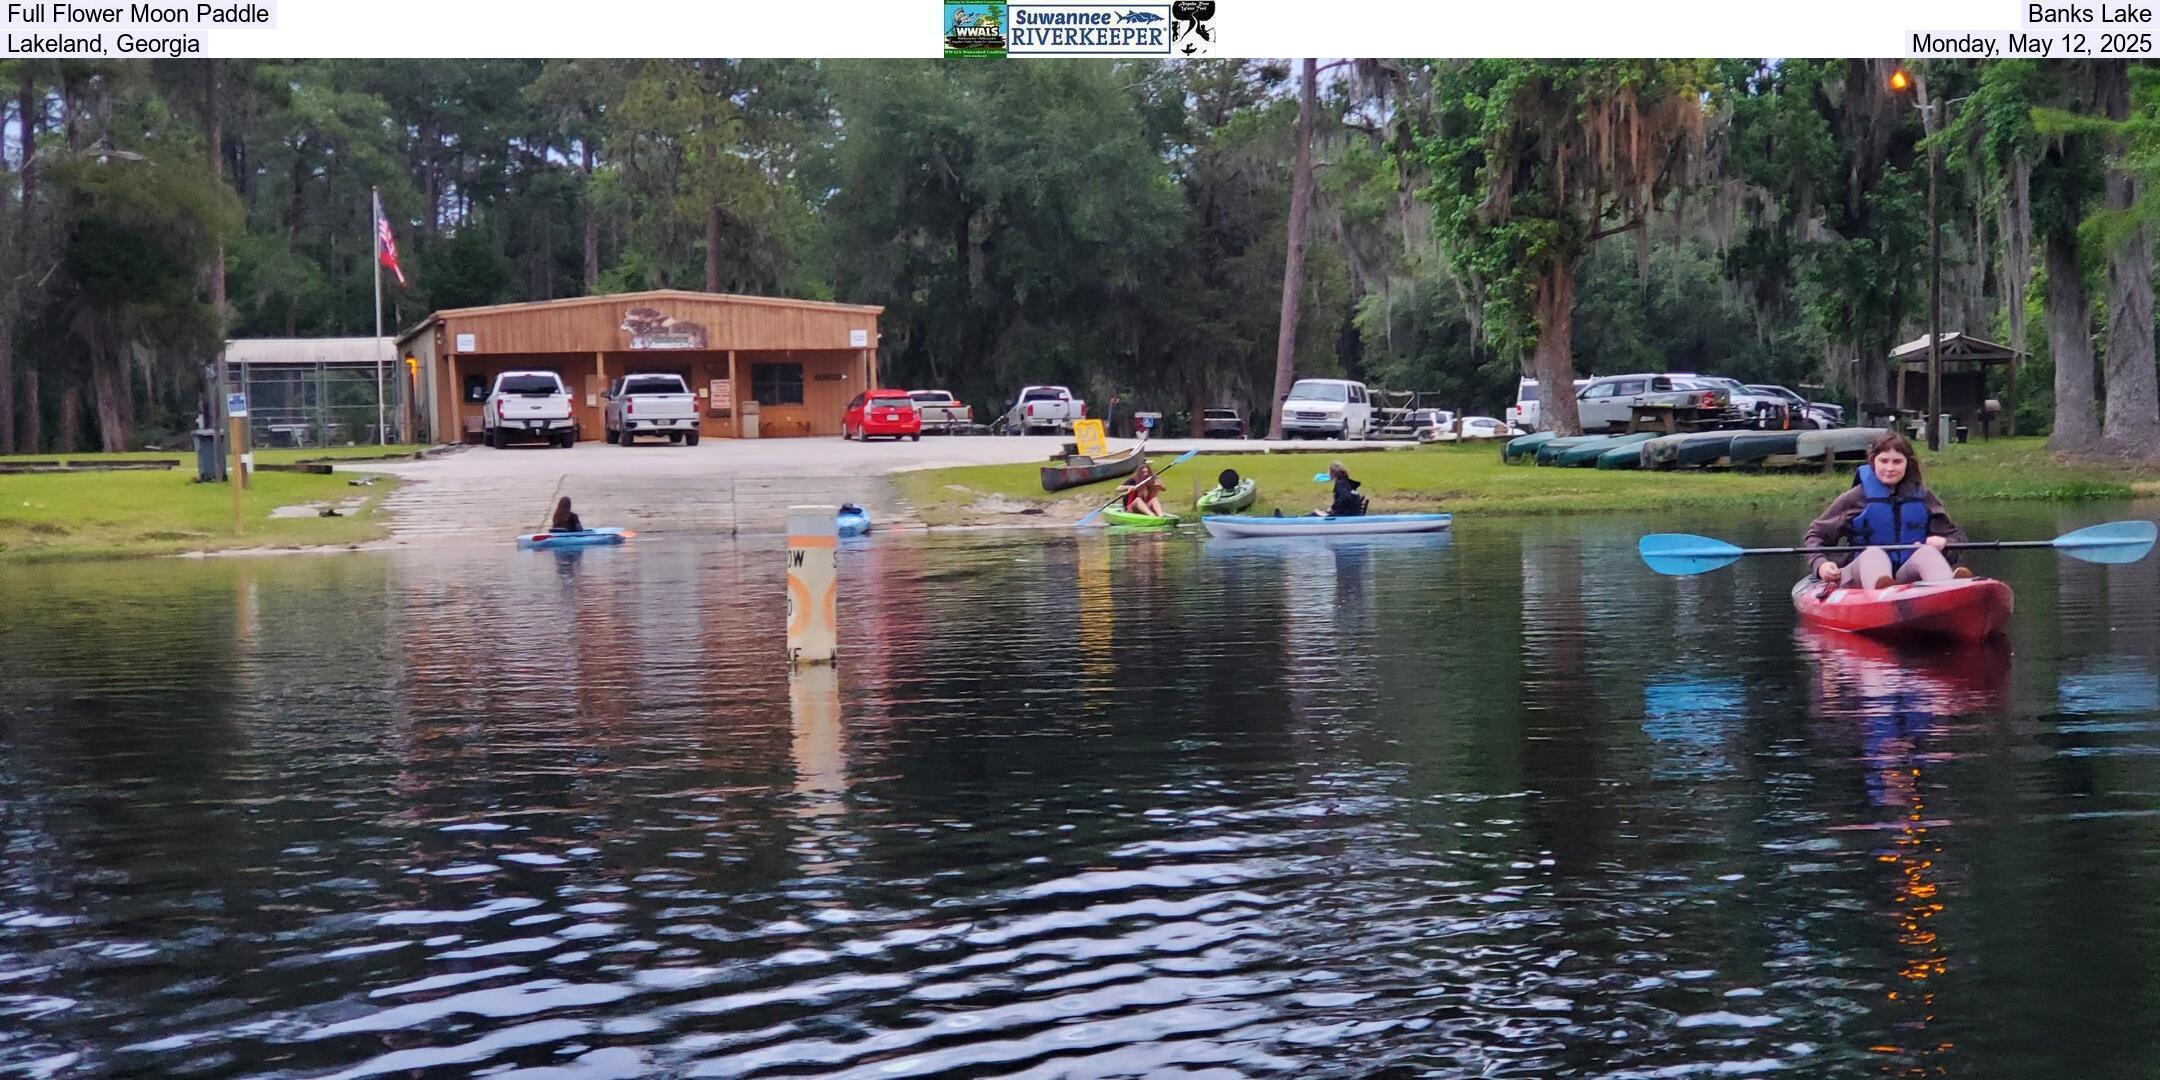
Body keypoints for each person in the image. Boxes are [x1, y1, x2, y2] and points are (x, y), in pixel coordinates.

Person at [1805, 433, 1970, 590]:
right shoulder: (1856, 497)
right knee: (1874, 554)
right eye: (1883, 461)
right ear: (1873, 461)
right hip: (1859, 576)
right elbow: (1816, 535)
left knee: (1926, 552)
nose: (1889, 468)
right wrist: (1821, 564)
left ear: (1908, 463)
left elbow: (1957, 537)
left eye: (1897, 462)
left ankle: (1949, 588)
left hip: (1906, 575)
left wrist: (1945, 543)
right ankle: (1882, 592)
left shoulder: (1923, 497)